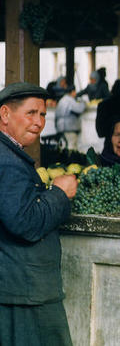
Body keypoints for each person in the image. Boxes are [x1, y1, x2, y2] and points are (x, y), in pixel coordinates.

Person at [0, 82, 77, 345]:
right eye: (31, 113)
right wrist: (59, 192)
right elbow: (25, 222)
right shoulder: (7, 161)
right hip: (24, 291)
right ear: (5, 114)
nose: (39, 122)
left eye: (43, 114)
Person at [55, 84, 87, 151]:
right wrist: (83, 102)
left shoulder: (62, 100)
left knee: (65, 147)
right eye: (75, 91)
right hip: (69, 128)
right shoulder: (70, 100)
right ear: (72, 92)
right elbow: (79, 109)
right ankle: (70, 161)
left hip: (61, 128)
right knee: (71, 146)